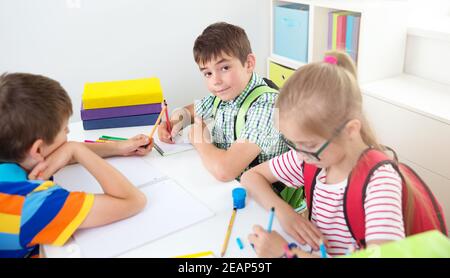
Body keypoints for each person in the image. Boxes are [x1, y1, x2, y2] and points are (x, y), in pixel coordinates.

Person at [242, 51, 408, 257]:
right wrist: (285, 213)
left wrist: (287, 253)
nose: (299, 154)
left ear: (350, 130)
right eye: (293, 143)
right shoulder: (312, 158)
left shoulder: (380, 183)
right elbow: (250, 177)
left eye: (308, 144)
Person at [0, 72, 152, 258]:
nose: (69, 133)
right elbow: (132, 201)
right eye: (65, 130)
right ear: (37, 150)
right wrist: (75, 150)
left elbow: (52, 155)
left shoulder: (11, 152)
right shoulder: (33, 201)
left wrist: (119, 147)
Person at [158, 22, 288, 182]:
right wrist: (174, 122)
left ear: (249, 63)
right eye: (208, 73)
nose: (216, 81)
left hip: (266, 199)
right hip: (235, 186)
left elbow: (225, 171)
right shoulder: (224, 95)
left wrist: (200, 140)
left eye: (225, 68)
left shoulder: (267, 106)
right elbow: (186, 111)